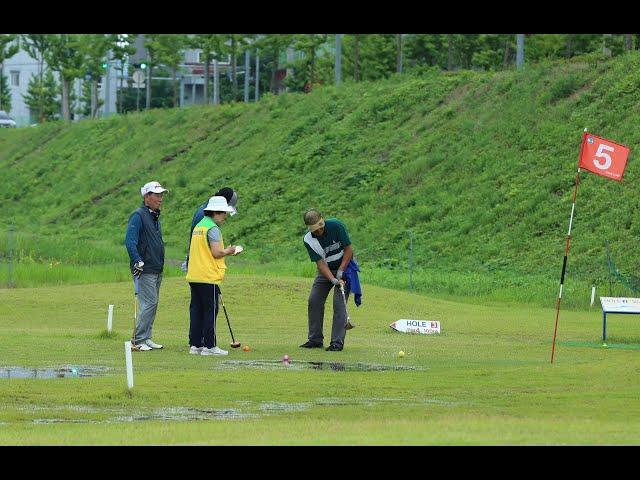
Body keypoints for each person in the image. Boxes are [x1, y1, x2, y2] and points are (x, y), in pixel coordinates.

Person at [186, 196, 241, 356]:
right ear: (216, 212)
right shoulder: (213, 228)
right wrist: (230, 251)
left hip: (194, 274)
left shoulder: (199, 226)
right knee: (210, 310)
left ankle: (195, 345)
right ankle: (210, 346)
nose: (225, 217)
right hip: (207, 276)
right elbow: (217, 253)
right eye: (224, 213)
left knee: (197, 310)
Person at [300, 209, 360, 352]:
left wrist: (340, 271)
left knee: (339, 304)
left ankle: (336, 343)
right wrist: (333, 279)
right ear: (309, 229)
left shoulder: (336, 226)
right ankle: (315, 339)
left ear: (323, 220)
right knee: (314, 300)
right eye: (316, 230)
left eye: (321, 228)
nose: (319, 232)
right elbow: (320, 263)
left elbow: (348, 249)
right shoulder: (308, 240)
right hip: (326, 270)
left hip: (345, 267)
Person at [124, 181, 168, 352]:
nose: (160, 199)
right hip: (145, 268)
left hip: (156, 267)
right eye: (157, 195)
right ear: (146, 197)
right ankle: (137, 340)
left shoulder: (154, 216)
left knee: (153, 303)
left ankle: (146, 337)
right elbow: (130, 241)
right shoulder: (138, 215)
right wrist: (137, 260)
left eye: (161, 195)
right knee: (149, 303)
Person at [181, 187, 238, 272]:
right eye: (225, 211)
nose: (226, 215)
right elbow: (204, 247)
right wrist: (227, 251)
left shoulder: (207, 214)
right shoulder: (204, 216)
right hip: (201, 267)